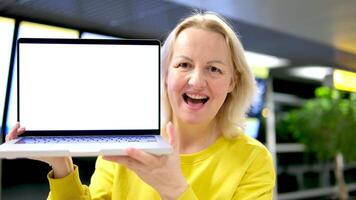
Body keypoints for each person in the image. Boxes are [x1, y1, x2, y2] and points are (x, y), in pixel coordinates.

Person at [7, 11, 275, 200]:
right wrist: (62, 166)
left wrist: (175, 190)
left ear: (232, 81)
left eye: (214, 69)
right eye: (183, 65)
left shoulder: (253, 160)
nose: (196, 81)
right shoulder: (125, 144)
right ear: (165, 74)